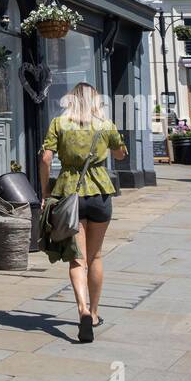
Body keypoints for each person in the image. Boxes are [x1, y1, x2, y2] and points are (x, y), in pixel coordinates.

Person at [39, 82, 128, 343]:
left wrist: (45, 192)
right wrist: (116, 148)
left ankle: (82, 310)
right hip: (99, 194)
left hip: (69, 195)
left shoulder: (59, 123)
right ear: (95, 101)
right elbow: (121, 154)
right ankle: (96, 313)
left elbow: (45, 158)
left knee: (77, 259)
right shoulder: (105, 124)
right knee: (96, 256)